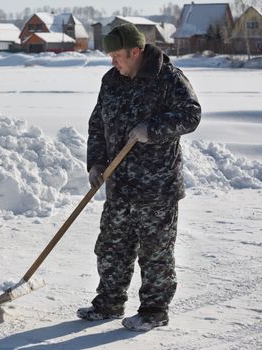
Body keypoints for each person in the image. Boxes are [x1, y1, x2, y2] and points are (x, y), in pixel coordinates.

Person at [77, 23, 201, 331]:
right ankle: (108, 303)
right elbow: (97, 125)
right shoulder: (111, 81)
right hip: (119, 184)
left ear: (136, 51)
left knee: (155, 253)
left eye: (117, 55)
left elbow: (191, 115)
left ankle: (154, 311)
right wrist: (95, 163)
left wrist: (152, 129)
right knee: (111, 246)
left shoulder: (168, 79)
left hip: (156, 186)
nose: (113, 61)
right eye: (110, 56)